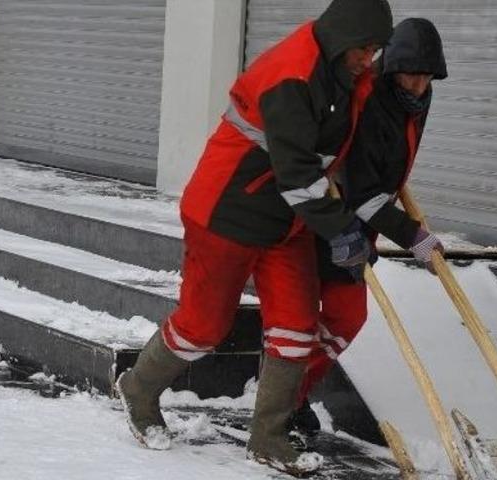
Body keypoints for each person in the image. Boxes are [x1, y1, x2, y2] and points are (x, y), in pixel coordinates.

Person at [115, 0, 393, 475]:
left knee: (295, 326)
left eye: (376, 49)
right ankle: (138, 387)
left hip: (285, 224)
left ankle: (268, 437)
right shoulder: (292, 75)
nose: (369, 58)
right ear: (342, 36)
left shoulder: (346, 70)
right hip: (228, 212)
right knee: (203, 326)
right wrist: (341, 229)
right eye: (364, 48)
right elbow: (298, 175)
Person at [288, 18, 449, 437]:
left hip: (361, 219)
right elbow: (363, 192)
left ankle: (290, 393)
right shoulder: (372, 100)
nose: (417, 85)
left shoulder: (417, 98)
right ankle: (281, 398)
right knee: (310, 315)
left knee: (345, 318)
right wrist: (414, 237)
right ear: (392, 67)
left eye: (426, 77)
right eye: (411, 75)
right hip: (328, 213)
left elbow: (383, 171)